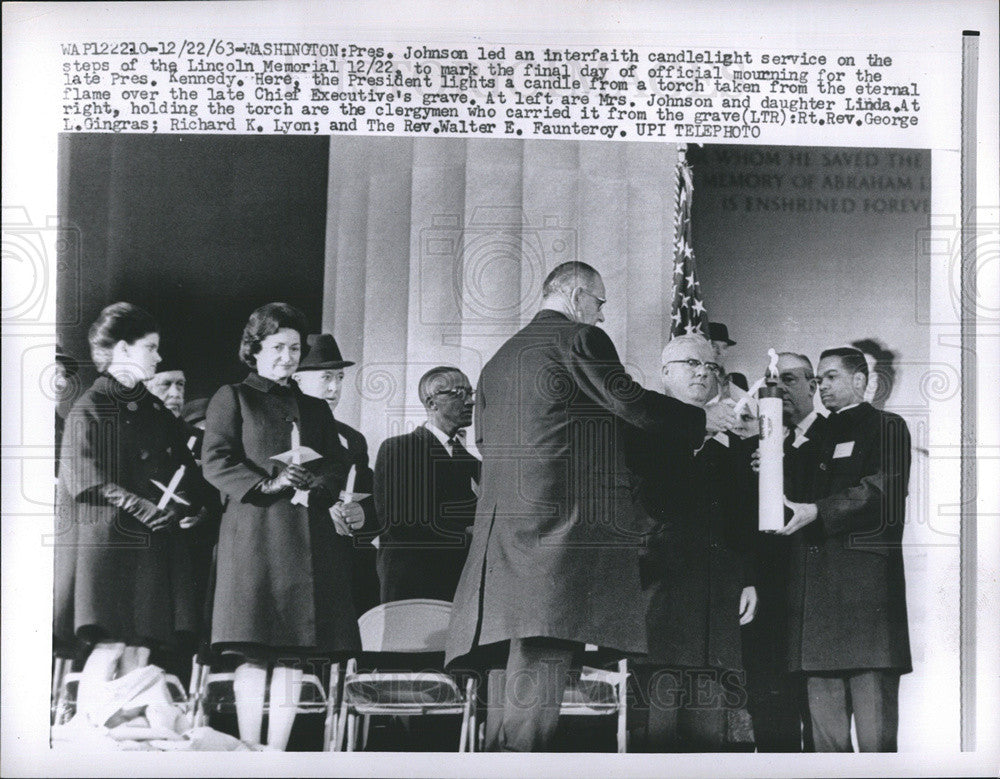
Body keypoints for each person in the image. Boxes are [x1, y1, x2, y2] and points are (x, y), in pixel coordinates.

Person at [446, 261, 736, 752]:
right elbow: (630, 402)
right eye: (600, 303)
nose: (601, 316)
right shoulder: (580, 339)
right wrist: (701, 419)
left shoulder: (498, 360)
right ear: (578, 296)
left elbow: (482, 438)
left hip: (506, 537)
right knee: (545, 658)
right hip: (560, 534)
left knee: (520, 666)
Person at [202, 303, 364, 750]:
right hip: (255, 538)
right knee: (254, 650)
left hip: (307, 542)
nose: (288, 357)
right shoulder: (231, 397)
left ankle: (276, 752)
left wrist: (317, 480)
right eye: (278, 347)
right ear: (254, 349)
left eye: (294, 348)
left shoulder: (314, 408)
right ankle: (250, 747)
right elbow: (215, 462)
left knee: (296, 652)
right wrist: (268, 483)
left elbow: (335, 462)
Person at [54, 302, 205, 682]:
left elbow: (185, 470)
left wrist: (194, 505)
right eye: (150, 347)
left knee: (142, 646)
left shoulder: (153, 409)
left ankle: (122, 732)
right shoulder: (91, 407)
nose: (158, 356)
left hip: (151, 546)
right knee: (109, 646)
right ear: (122, 350)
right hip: (109, 545)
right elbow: (84, 476)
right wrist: (143, 507)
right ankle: (94, 731)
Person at [777, 347, 912, 752]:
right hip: (815, 614)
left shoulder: (887, 426)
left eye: (832, 376)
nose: (823, 386)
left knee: (875, 745)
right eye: (818, 380)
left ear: (860, 380)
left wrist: (818, 510)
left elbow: (880, 491)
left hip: (865, 609)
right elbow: (785, 495)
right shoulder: (812, 438)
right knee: (825, 747)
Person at [629, 334, 758, 751]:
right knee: (658, 730)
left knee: (710, 731)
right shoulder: (639, 425)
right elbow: (656, 500)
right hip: (660, 594)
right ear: (665, 374)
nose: (704, 371)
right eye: (690, 363)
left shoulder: (734, 439)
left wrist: (748, 578)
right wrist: (700, 432)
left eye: (711, 366)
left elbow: (742, 517)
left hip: (717, 602)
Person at [742, 352, 824, 751]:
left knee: (821, 712)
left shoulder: (836, 435)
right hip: (769, 596)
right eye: (772, 381)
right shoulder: (755, 447)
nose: (779, 389)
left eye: (789, 379)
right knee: (771, 706)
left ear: (813, 384)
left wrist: (785, 468)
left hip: (817, 594)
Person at [373, 366, 480, 602]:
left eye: (471, 394)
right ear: (432, 404)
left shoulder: (473, 463)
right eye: (459, 393)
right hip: (413, 587)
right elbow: (400, 523)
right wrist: (467, 534)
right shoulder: (400, 449)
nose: (470, 402)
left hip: (459, 588)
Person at [292, 333, 380, 618]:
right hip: (296, 559)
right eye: (326, 377)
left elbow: (373, 499)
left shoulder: (352, 439)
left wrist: (362, 514)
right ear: (296, 380)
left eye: (340, 378)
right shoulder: (282, 433)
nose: (335, 387)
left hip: (344, 566)